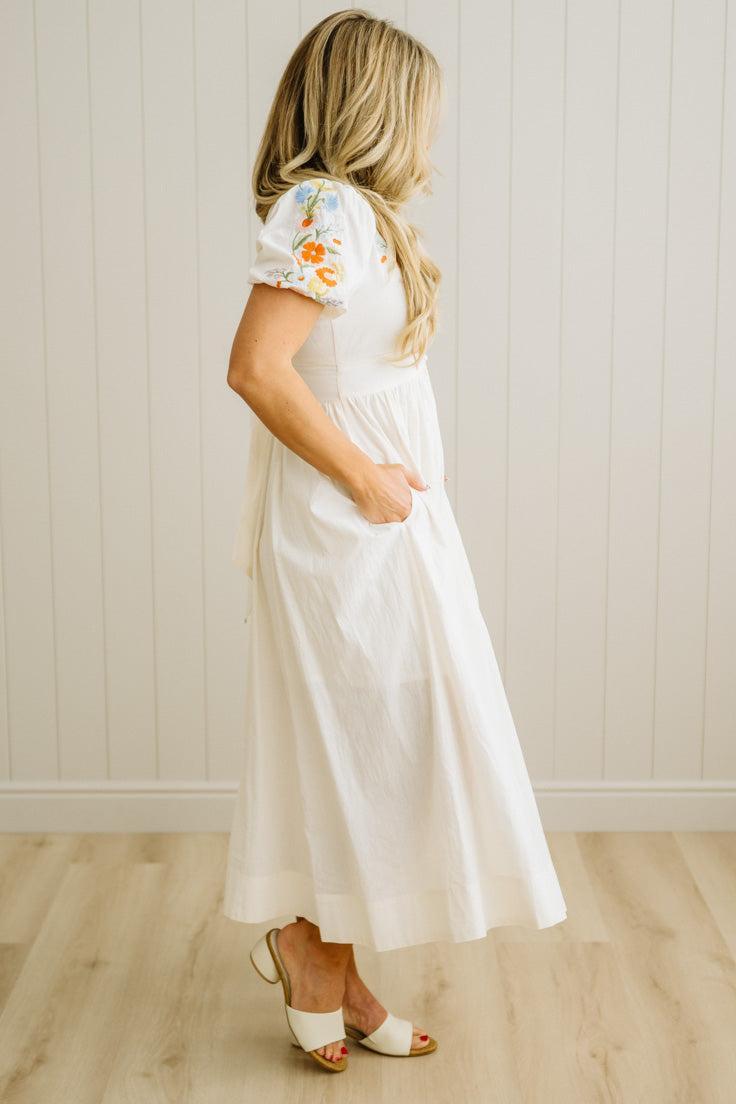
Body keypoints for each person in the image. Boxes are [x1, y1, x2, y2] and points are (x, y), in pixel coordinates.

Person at [223, 8, 567, 1075]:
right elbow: (257, 367)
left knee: (376, 746)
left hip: (381, 524)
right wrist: (368, 478)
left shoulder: (356, 214)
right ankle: (314, 950)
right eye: (423, 112)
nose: (431, 133)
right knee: (367, 747)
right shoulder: (325, 207)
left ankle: (329, 956)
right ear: (380, 108)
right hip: (346, 526)